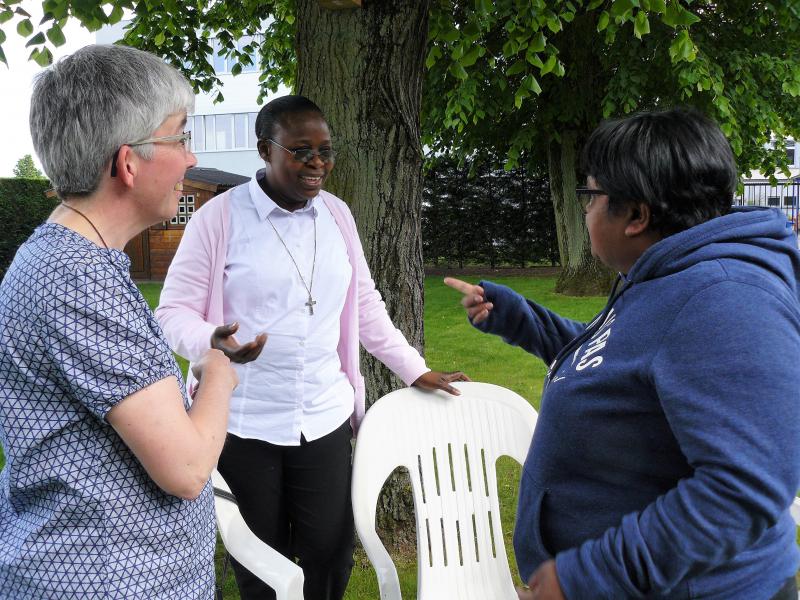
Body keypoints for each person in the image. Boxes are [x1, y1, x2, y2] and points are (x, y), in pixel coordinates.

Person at [446, 108, 800, 599]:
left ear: (636, 215)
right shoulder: (666, 278)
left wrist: (588, 575)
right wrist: (517, 317)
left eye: (589, 195)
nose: (583, 209)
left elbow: (743, 489)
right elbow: (614, 363)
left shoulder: (724, 298)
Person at [155, 94, 468, 600]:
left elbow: (363, 303)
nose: (318, 163)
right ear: (265, 150)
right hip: (243, 420)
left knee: (329, 551)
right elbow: (171, 313)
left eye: (326, 151)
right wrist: (212, 341)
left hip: (322, 416)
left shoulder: (338, 216)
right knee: (260, 560)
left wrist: (415, 370)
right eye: (302, 151)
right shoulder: (218, 219)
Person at [0, 45, 239, 598]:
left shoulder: (70, 259)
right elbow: (185, 467)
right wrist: (217, 372)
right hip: (109, 577)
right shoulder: (77, 278)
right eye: (180, 137)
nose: (190, 158)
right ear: (128, 163)